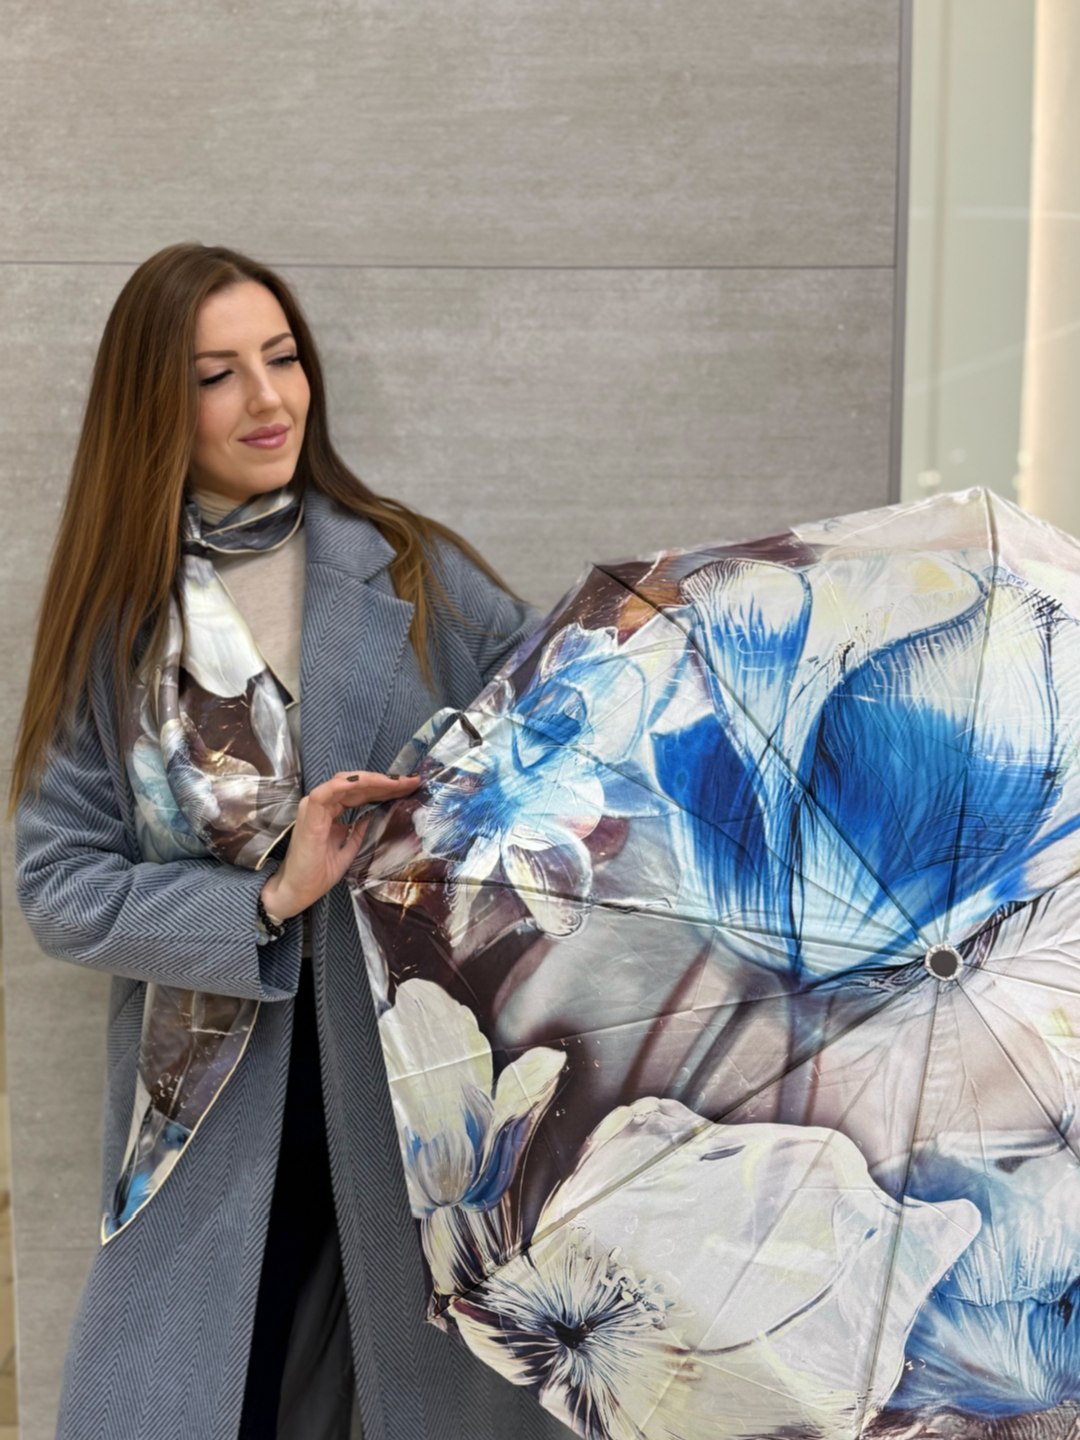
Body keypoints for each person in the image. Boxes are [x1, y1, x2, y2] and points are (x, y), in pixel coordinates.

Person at [10, 243, 574, 1440]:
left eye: (283, 358)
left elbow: (574, 731)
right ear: (153, 405)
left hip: (416, 1083)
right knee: (211, 1396)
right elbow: (59, 885)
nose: (268, 399)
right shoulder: (117, 622)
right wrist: (267, 898)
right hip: (212, 1107)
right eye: (217, 374)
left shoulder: (410, 568)